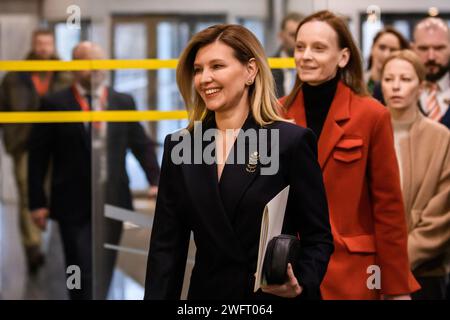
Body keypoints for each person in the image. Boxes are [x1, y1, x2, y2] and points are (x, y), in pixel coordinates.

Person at [144, 24, 334, 300]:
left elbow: (318, 238)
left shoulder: (290, 141)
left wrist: (301, 282)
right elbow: (166, 249)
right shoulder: (182, 146)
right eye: (198, 69)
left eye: (217, 66)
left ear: (250, 71)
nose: (204, 78)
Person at [281, 10, 420, 300]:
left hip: (351, 272)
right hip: (288, 270)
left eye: (318, 48)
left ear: (343, 57)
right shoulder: (276, 114)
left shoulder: (372, 115)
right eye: (300, 46)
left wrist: (395, 288)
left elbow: (388, 207)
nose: (305, 56)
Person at [28, 42, 160, 299]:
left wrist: (155, 180)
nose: (97, 70)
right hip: (72, 202)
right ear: (75, 68)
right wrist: (36, 203)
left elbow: (140, 144)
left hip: (113, 198)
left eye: (100, 64)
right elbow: (38, 156)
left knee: (105, 265)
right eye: (89, 65)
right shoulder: (54, 104)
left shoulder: (122, 101)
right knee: (79, 264)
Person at [0, 29, 72, 274]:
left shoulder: (66, 75)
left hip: (59, 142)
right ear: (33, 45)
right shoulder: (14, 76)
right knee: (27, 192)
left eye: (47, 43)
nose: (43, 48)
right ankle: (33, 247)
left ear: (53, 45)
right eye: (39, 43)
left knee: (57, 191)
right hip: (25, 143)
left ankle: (58, 244)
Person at [381, 49, 450, 300]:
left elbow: (442, 212)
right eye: (388, 79)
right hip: (371, 266)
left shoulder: (441, 137)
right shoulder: (365, 131)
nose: (396, 87)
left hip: (425, 270)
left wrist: (397, 260)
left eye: (405, 79)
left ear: (421, 87)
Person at [412, 17, 450, 129]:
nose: (431, 57)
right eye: (423, 48)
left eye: (439, 48)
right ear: (413, 48)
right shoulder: (392, 89)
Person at [365, 26, 409, 103]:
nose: (386, 54)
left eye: (393, 50)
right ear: (372, 48)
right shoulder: (356, 82)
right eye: (382, 47)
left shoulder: (405, 87)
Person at [272, 12, 304, 98]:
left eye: (301, 35)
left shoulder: (313, 65)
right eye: (293, 35)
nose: (298, 40)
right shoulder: (268, 66)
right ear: (281, 36)